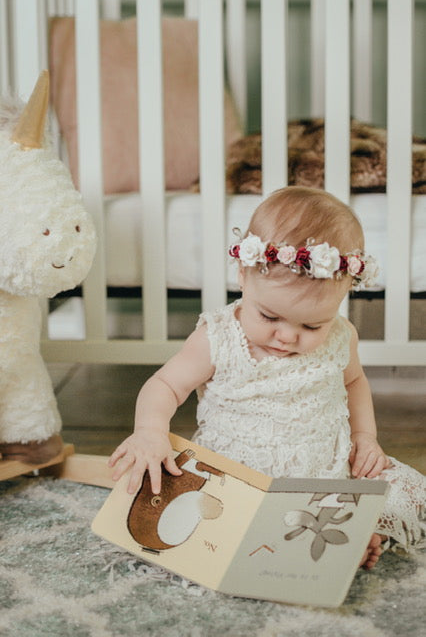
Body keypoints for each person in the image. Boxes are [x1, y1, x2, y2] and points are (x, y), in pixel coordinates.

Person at [109, 186, 425, 569]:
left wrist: (365, 437)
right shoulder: (219, 337)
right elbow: (165, 385)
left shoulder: (342, 336)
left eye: (312, 324)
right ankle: (335, 543)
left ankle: (355, 535)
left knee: (396, 490)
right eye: (270, 317)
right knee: (212, 523)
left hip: (322, 472)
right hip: (236, 479)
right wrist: (149, 430)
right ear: (243, 275)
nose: (288, 336)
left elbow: (354, 382)